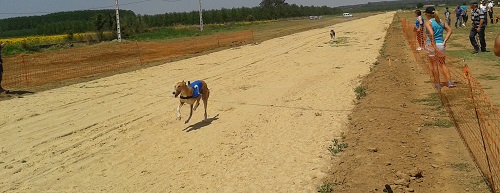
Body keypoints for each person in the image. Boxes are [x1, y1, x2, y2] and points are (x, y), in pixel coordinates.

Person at [424, 6, 454, 89]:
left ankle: (437, 83)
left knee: (434, 65)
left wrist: (433, 43)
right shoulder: (441, 21)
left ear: (428, 14)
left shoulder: (428, 23)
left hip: (431, 45)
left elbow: (431, 33)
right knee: (443, 64)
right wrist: (445, 41)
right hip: (441, 44)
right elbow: (450, 30)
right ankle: (449, 82)